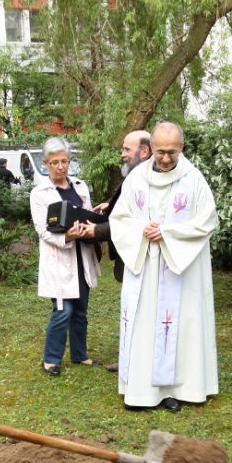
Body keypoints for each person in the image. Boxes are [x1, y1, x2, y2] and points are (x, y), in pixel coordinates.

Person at [109, 121, 218, 412]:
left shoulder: (194, 180)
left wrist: (167, 233)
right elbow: (119, 219)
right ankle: (141, 392)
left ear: (181, 147)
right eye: (160, 152)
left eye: (172, 151)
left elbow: (207, 221)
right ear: (150, 150)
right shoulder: (135, 180)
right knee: (145, 326)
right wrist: (143, 230)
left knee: (179, 326)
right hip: (144, 268)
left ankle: (176, 390)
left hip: (180, 272)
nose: (166, 158)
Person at [29, 137, 101, 376]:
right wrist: (67, 237)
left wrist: (94, 219)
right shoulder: (40, 193)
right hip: (59, 258)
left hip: (82, 256)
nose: (60, 166)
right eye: (55, 162)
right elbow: (42, 230)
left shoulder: (80, 186)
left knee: (80, 309)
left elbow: (86, 215)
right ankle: (51, 358)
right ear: (45, 164)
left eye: (64, 161)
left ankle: (80, 355)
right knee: (63, 310)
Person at [91, 130, 152, 373]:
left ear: (144, 151)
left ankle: (136, 362)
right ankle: (129, 358)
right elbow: (125, 209)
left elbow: (130, 224)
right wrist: (110, 205)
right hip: (129, 258)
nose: (122, 154)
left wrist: (94, 231)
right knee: (131, 310)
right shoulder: (136, 176)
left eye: (127, 149)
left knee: (140, 312)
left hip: (140, 260)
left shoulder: (148, 179)